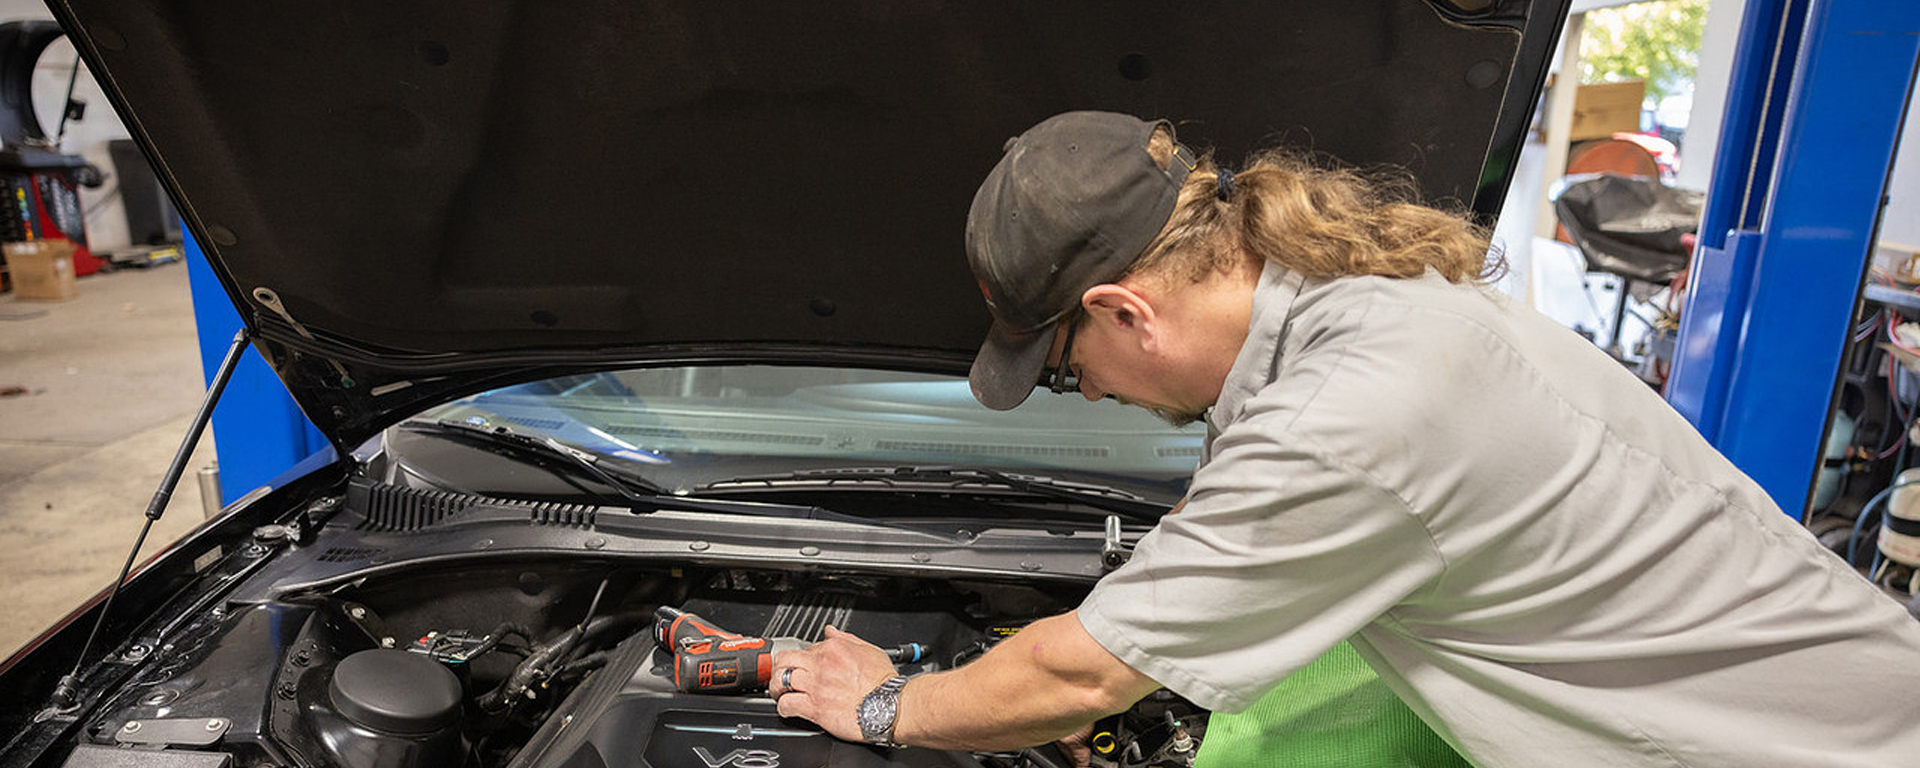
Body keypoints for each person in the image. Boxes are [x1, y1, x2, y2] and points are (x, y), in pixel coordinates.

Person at [769, 111, 1920, 767]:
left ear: (1126, 311)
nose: (1089, 394)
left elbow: (1082, 673)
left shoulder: (1351, 411)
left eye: (1067, 370)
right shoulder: (1353, 307)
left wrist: (884, 704)